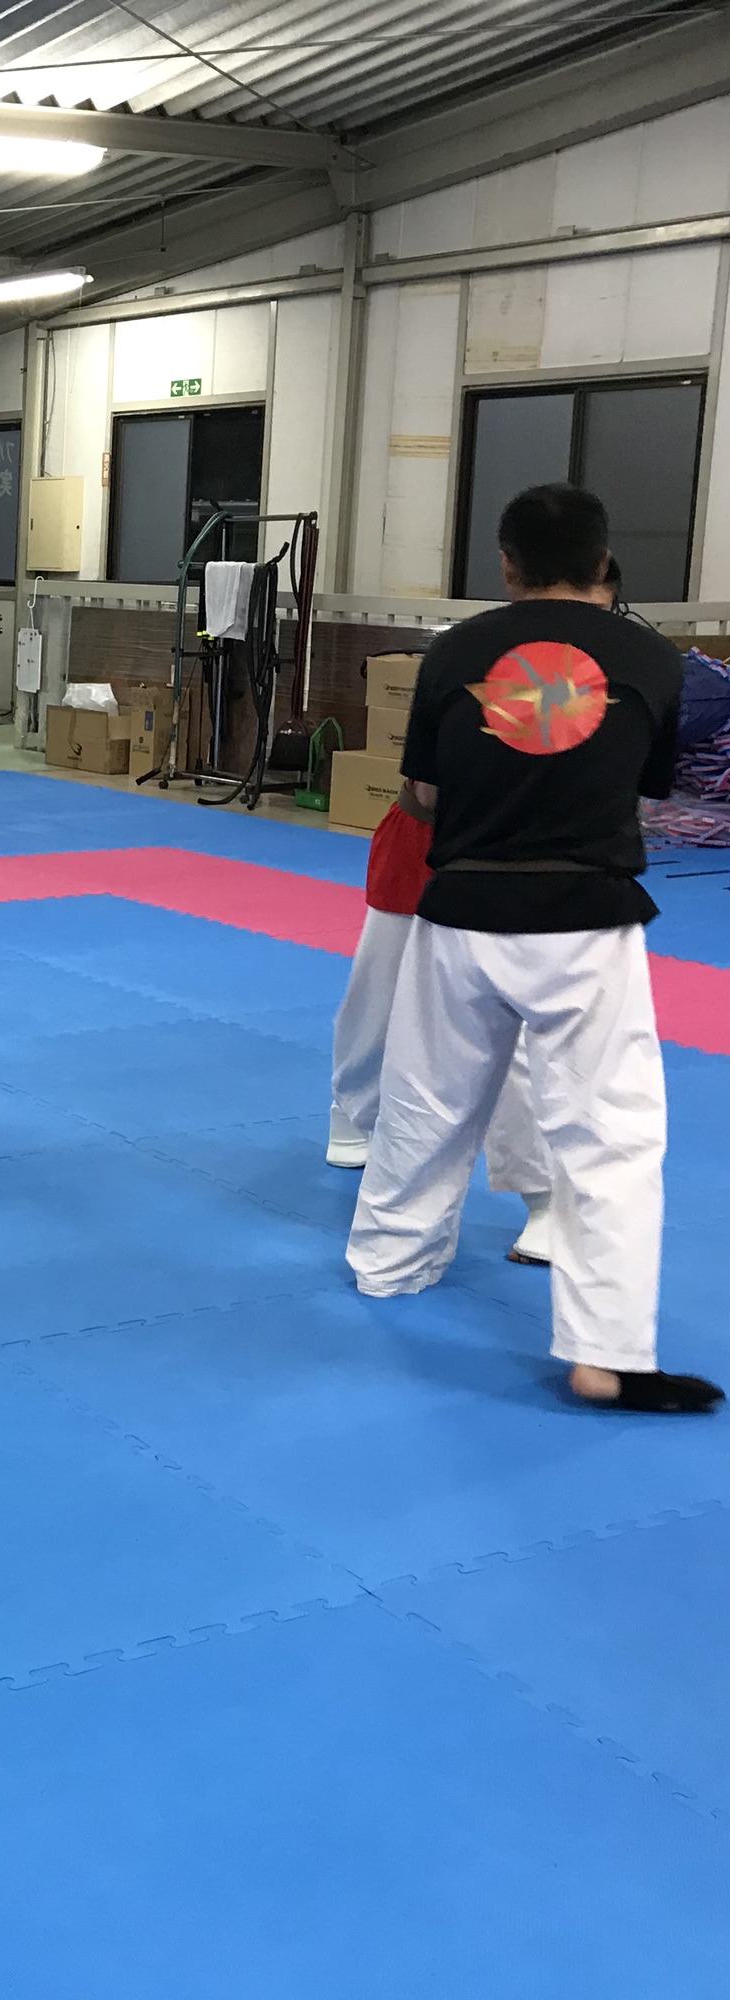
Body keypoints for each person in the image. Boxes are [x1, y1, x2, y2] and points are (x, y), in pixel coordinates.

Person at [347, 484, 721, 1413]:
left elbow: (421, 799)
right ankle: (605, 1353)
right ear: (604, 563)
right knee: (609, 1135)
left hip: (460, 912)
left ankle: (388, 1265)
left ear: (507, 565)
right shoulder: (652, 658)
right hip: (585, 919)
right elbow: (644, 786)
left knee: (425, 1102)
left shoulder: (453, 651)